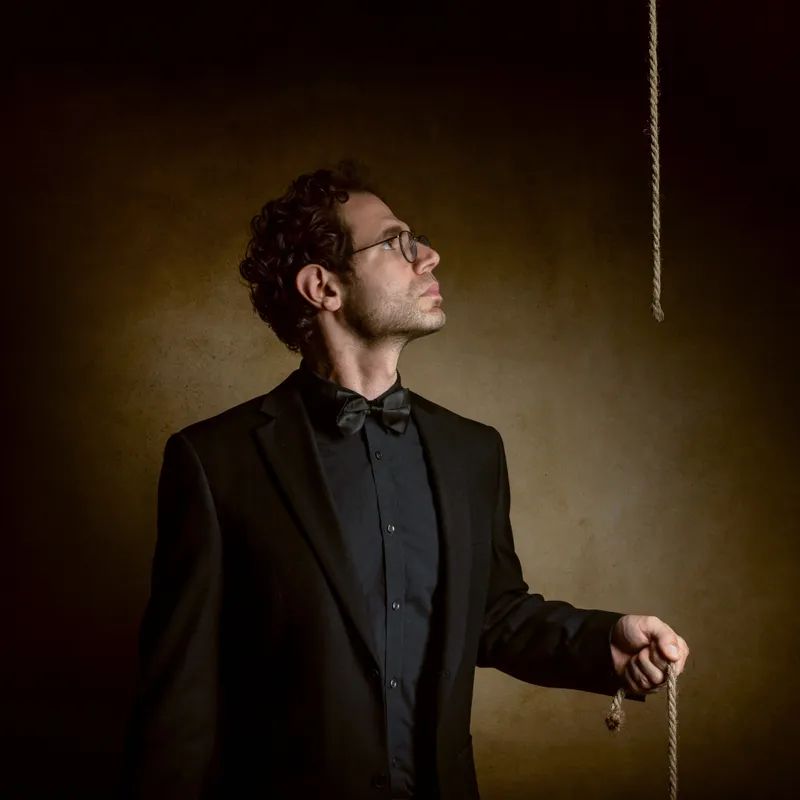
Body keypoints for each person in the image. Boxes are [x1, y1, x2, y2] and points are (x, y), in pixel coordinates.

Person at [119, 161, 690, 800]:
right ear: (323, 287)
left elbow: (492, 614)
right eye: (396, 242)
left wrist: (603, 644)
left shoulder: (473, 451)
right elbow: (181, 698)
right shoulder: (215, 461)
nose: (428, 255)